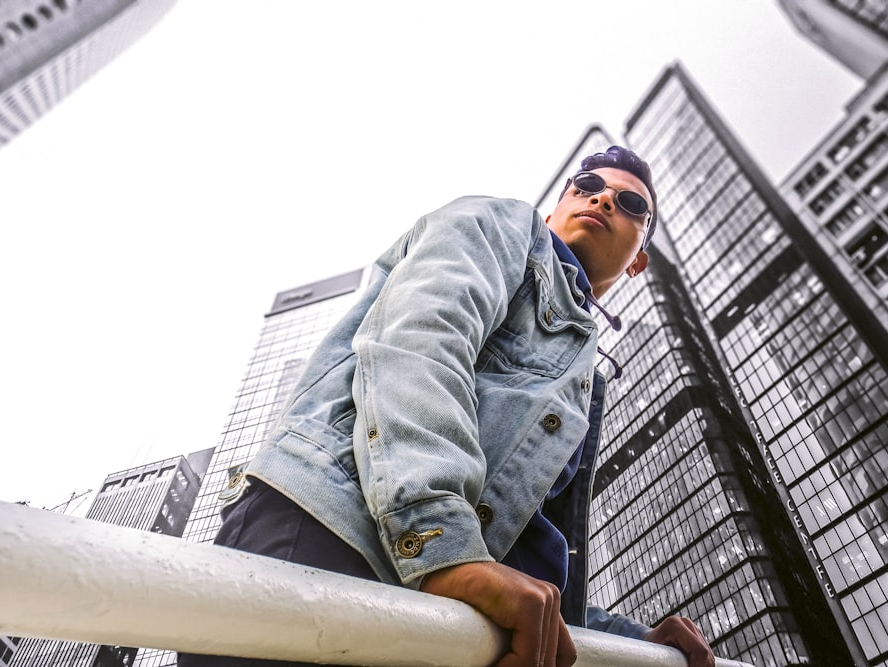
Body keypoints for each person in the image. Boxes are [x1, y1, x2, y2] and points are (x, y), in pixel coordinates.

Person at [179, 146, 715, 667]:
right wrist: (441, 541)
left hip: (437, 598)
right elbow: (420, 342)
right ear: (557, 205)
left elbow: (518, 548)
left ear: (639, 260)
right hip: (334, 537)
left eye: (631, 205)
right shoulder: (506, 226)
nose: (602, 201)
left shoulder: (581, 377)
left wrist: (632, 642)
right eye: (589, 187)